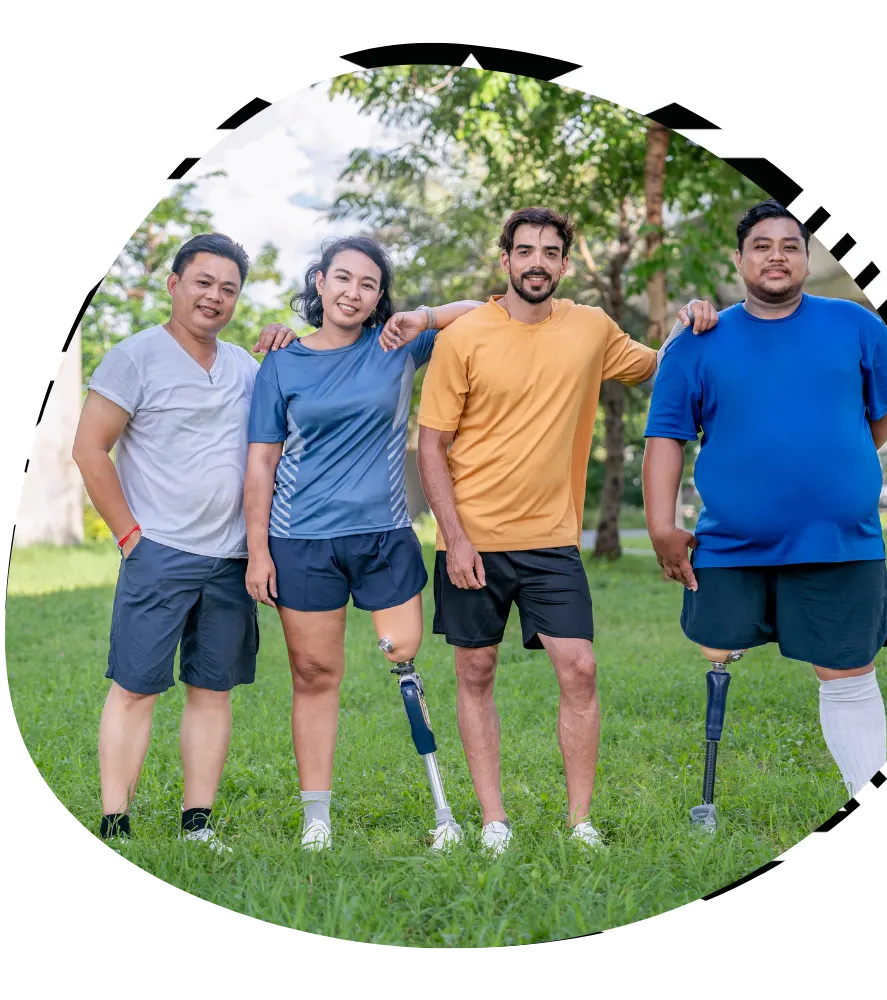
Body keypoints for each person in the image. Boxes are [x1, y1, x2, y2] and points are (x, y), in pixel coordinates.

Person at [401, 206, 718, 855]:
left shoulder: (592, 329)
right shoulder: (465, 336)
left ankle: (579, 823)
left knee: (579, 669)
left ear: (564, 264)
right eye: (525, 251)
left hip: (551, 540)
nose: (537, 262)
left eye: (550, 252)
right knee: (476, 670)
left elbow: (663, 363)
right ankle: (494, 820)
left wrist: (696, 316)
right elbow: (431, 446)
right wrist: (455, 538)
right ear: (506, 261)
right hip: (474, 540)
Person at [642, 199, 887, 804]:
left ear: (807, 259)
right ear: (739, 260)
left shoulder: (854, 325)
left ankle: (860, 788)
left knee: (846, 671)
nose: (776, 255)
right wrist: (661, 524)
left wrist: (845, 455)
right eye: (761, 245)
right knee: (715, 645)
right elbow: (666, 437)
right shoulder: (698, 340)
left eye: (790, 245)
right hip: (734, 541)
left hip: (840, 541)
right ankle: (745, 625)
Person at [243, 235, 484, 852]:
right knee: (315, 674)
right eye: (343, 278)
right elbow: (261, 461)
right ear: (318, 282)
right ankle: (316, 819)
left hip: (383, 536)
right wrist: (258, 550)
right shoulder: (282, 362)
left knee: (402, 652)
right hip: (300, 541)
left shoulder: (396, 346)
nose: (354, 292)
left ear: (380, 296)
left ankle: (444, 812)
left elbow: (487, 310)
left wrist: (422, 317)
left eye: (369, 284)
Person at [73, 232, 298, 851]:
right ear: (174, 285)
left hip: (229, 559)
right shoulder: (134, 357)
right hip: (159, 553)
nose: (215, 297)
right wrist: (129, 537)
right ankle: (115, 820)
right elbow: (90, 449)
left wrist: (285, 338)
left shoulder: (246, 367)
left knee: (212, 691)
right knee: (136, 687)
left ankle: (197, 823)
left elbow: (293, 405)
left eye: (228, 289)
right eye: (203, 282)